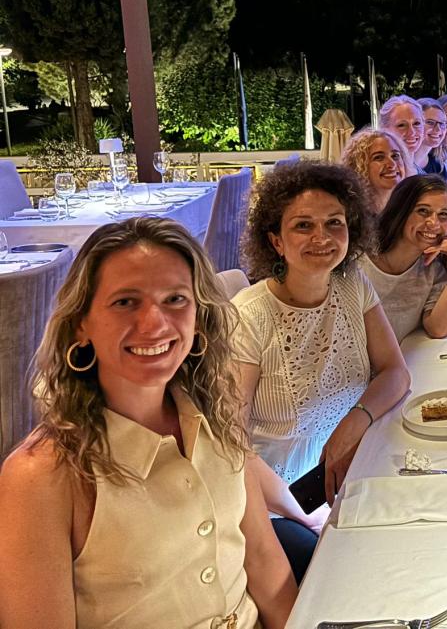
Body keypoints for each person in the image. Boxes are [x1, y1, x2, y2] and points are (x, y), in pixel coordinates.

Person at [0, 218, 296, 629]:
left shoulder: (215, 415)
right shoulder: (41, 475)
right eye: (125, 302)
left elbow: (265, 562)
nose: (154, 324)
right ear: (80, 324)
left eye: (176, 299)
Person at [231, 162, 410, 580]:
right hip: (279, 503)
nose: (322, 238)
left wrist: (352, 424)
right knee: (346, 574)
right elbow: (231, 446)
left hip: (355, 467)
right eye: (303, 226)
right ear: (275, 240)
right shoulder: (249, 316)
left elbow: (395, 373)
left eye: (334, 223)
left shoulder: (352, 286)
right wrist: (305, 515)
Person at [361, 175, 447, 341]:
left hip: (398, 364)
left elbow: (438, 328)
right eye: (423, 211)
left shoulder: (432, 268)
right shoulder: (360, 263)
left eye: (443, 214)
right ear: (400, 211)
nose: (434, 223)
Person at [340, 127, 415, 215]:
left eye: (395, 156)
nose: (392, 164)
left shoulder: (413, 206)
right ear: (358, 166)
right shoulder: (350, 213)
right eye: (379, 157)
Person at [379, 95, 426, 173]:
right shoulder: (385, 173)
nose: (412, 132)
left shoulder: (421, 173)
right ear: (384, 129)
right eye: (401, 125)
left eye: (416, 123)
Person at [415, 98, 447, 177]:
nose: (438, 129)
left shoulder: (438, 166)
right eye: (430, 122)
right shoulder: (399, 164)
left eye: (442, 124)